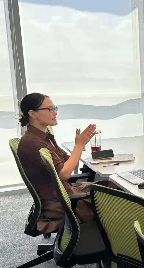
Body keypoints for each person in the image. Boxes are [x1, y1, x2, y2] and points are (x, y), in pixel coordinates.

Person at [17, 93, 98, 233]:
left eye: (54, 108)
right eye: (49, 109)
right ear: (32, 114)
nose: (55, 112)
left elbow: (67, 161)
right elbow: (64, 174)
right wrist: (78, 146)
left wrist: (80, 146)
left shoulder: (44, 137)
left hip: (65, 192)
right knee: (123, 199)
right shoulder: (33, 143)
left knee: (113, 186)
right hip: (61, 202)